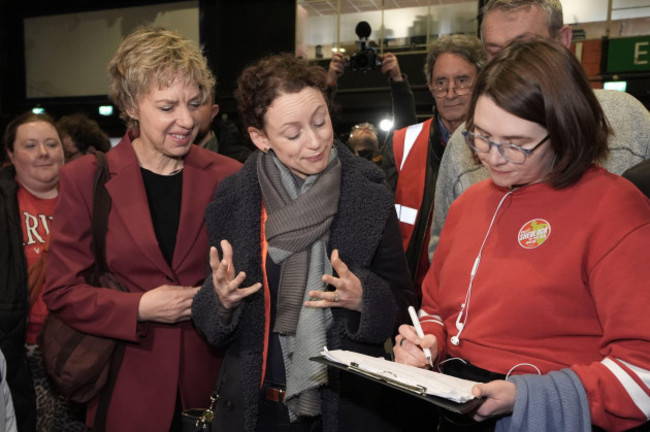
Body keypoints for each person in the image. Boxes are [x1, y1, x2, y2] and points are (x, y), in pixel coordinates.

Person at [394, 38, 650, 432]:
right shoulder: (469, 204)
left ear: (564, 128)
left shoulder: (614, 209)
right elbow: (436, 309)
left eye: (517, 145)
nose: (493, 157)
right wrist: (426, 341)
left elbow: (642, 377)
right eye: (480, 136)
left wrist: (529, 396)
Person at [191, 53, 416, 432]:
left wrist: (364, 298)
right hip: (256, 408)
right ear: (260, 138)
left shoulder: (367, 192)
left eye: (320, 121)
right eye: (293, 134)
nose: (315, 142)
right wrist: (222, 301)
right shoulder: (234, 199)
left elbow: (405, 304)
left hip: (346, 407)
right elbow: (210, 319)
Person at [42, 25, 242, 431]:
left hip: (212, 387)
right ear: (131, 105)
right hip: (124, 384)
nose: (186, 120)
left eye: (194, 102)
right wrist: (139, 307)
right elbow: (62, 291)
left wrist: (224, 298)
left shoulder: (230, 177)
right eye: (167, 107)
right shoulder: (86, 179)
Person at [429, 0, 650, 259]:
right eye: (494, 52)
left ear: (562, 41)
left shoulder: (628, 119)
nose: (508, 64)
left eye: (524, 48)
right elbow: (444, 254)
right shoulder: (462, 146)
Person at [2, 112, 88, 432]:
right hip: (22, 348)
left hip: (80, 343)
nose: (43, 153)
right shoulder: (5, 203)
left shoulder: (86, 195)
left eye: (52, 144)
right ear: (10, 155)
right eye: (30, 145)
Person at [381, 34, 485, 297]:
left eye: (462, 81)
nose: (451, 93)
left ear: (481, 83)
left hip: (476, 294)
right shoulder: (401, 144)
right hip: (411, 301)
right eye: (441, 82)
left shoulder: (502, 146)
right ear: (429, 85)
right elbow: (382, 227)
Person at [327, 51, 417, 134]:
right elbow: (319, 119)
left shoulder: (390, 150)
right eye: (358, 128)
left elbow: (406, 126)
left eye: (371, 128)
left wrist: (397, 78)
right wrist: (330, 81)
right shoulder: (338, 150)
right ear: (350, 140)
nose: (366, 128)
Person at [194, 85, 252, 163]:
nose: (185, 115)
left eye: (194, 104)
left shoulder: (243, 165)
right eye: (172, 106)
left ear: (213, 112)